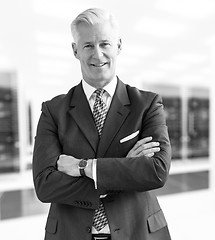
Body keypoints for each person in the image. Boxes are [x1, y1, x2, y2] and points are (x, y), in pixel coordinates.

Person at [32, 8, 172, 240]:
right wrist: (125, 168)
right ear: (75, 50)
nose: (98, 55)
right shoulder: (53, 111)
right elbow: (45, 186)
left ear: (118, 46)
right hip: (71, 233)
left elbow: (157, 171)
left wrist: (83, 167)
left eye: (104, 44)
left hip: (138, 232)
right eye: (88, 45)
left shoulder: (147, 105)